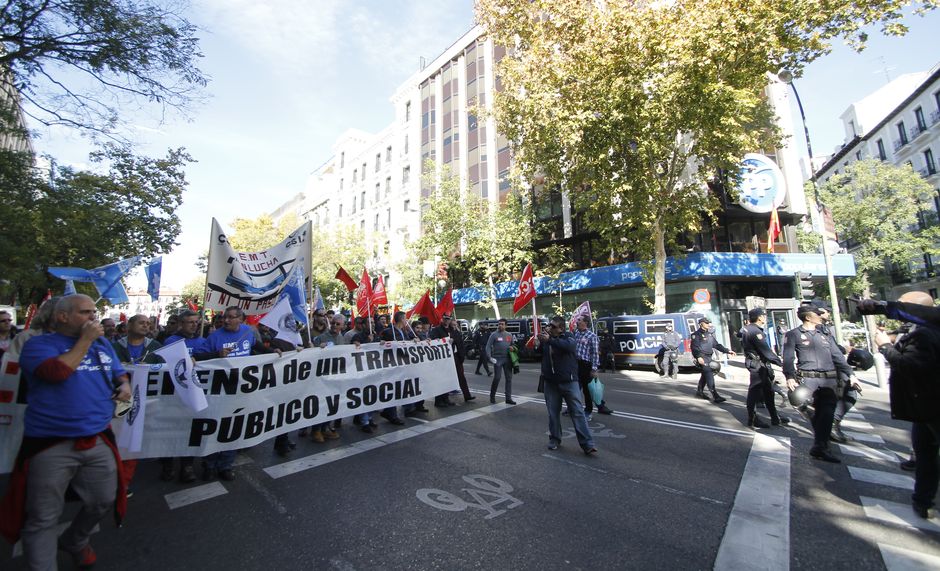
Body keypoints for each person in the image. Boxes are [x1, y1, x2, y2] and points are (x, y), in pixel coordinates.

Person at [1, 294, 130, 569]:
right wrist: (84, 341)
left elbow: (118, 372)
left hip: (97, 437)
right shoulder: (38, 346)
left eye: (94, 312)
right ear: (62, 316)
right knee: (43, 516)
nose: (93, 317)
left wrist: (124, 384)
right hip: (51, 443)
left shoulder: (102, 344)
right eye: (85, 312)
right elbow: (56, 373)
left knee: (102, 500)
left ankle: (75, 539)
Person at [873, 291, 940, 519]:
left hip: (932, 405)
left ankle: (923, 500)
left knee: (926, 454)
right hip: (925, 407)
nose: (897, 308)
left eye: (901, 305)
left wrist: (885, 347)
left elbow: (910, 366)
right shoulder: (923, 330)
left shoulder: (925, 333)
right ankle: (922, 501)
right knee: (924, 455)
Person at [202, 306, 279, 480]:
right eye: (225, 317)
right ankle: (209, 465)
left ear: (241, 319)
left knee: (234, 427)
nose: (226, 320)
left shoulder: (246, 332)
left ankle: (226, 465)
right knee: (215, 429)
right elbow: (199, 359)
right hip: (219, 390)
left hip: (241, 389)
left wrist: (272, 352)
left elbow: (256, 346)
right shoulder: (214, 337)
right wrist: (216, 354)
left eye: (231, 317)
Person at [782, 304, 854, 463]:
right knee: (814, 414)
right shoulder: (793, 334)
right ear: (808, 317)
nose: (820, 316)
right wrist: (789, 376)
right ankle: (821, 446)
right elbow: (788, 357)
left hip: (828, 380)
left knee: (827, 413)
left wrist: (850, 374)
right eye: (817, 314)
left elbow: (837, 356)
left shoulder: (825, 333)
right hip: (808, 379)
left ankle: (820, 445)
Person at [158, 309, 208, 482]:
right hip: (174, 394)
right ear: (181, 324)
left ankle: (187, 466)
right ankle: (167, 465)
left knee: (191, 431)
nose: (194, 325)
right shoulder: (171, 341)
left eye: (196, 322)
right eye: (190, 322)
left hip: (194, 392)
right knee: (170, 431)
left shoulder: (203, 341)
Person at [537, 315, 596, 454]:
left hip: (569, 381)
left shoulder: (569, 336)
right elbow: (538, 353)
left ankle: (587, 444)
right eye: (549, 325)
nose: (550, 328)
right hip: (551, 382)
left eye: (553, 326)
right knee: (553, 413)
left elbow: (568, 347)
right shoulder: (548, 339)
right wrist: (539, 342)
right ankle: (554, 439)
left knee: (577, 412)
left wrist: (550, 340)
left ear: (561, 328)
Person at [813, 302, 860, 443]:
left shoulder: (824, 327)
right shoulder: (817, 328)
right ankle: (830, 426)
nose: (828, 313)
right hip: (829, 369)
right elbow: (829, 349)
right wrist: (844, 351)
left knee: (842, 397)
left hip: (834, 368)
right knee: (848, 395)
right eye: (827, 311)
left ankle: (828, 429)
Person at [740, 308, 788, 429]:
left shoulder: (749, 329)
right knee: (754, 391)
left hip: (759, 363)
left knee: (768, 391)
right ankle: (752, 419)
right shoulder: (755, 331)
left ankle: (775, 417)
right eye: (764, 316)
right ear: (759, 317)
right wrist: (780, 363)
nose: (765, 318)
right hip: (757, 364)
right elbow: (766, 351)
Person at [690, 317, 736, 403]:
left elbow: (717, 345)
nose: (708, 324)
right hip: (702, 357)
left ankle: (699, 391)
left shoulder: (709, 334)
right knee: (709, 374)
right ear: (701, 324)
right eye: (706, 323)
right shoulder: (696, 335)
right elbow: (694, 347)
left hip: (709, 357)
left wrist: (727, 351)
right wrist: (698, 357)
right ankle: (715, 395)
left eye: (709, 323)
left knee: (705, 375)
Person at [574, 316, 613, 416]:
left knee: (588, 389)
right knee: (574, 388)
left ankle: (589, 410)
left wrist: (594, 368)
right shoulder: (576, 333)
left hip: (586, 365)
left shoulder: (592, 336)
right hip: (576, 364)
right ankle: (572, 408)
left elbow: (595, 353)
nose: (577, 322)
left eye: (579, 320)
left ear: (585, 323)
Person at [485, 319, 517, 405]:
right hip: (497, 359)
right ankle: (492, 395)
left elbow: (513, 345)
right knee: (497, 377)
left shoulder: (509, 335)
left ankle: (508, 398)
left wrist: (513, 348)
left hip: (507, 359)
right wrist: (489, 357)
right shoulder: (494, 335)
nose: (500, 325)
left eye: (502, 324)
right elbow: (488, 346)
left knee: (509, 378)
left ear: (506, 326)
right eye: (499, 324)